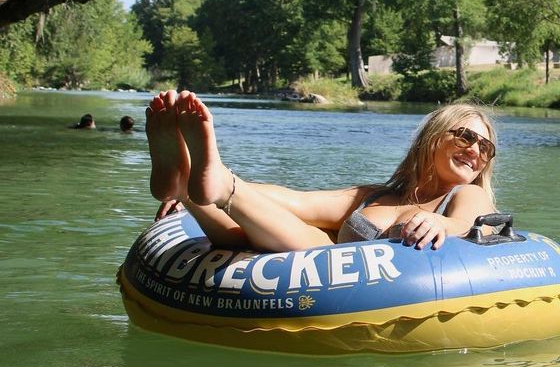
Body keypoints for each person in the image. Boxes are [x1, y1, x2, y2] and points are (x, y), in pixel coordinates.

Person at [146, 90, 498, 252]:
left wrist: (441, 223)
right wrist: (207, 189)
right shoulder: (374, 196)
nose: (475, 151)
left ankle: (219, 184)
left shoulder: (467, 195)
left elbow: (470, 223)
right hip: (312, 264)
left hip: (370, 289)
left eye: (485, 147)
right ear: (433, 139)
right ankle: (187, 187)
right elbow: (295, 201)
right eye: (466, 137)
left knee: (314, 245)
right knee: (243, 235)